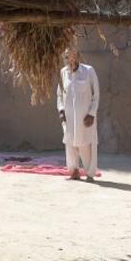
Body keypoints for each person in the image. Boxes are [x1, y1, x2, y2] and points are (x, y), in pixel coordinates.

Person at [56, 46, 100, 181]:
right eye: (65, 56)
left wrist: (91, 113)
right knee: (69, 143)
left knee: (85, 144)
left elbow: (96, 94)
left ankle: (90, 173)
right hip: (68, 117)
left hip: (85, 117)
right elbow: (59, 95)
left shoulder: (88, 71)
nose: (66, 58)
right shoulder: (63, 72)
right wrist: (61, 110)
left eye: (69, 55)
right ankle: (74, 170)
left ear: (76, 56)